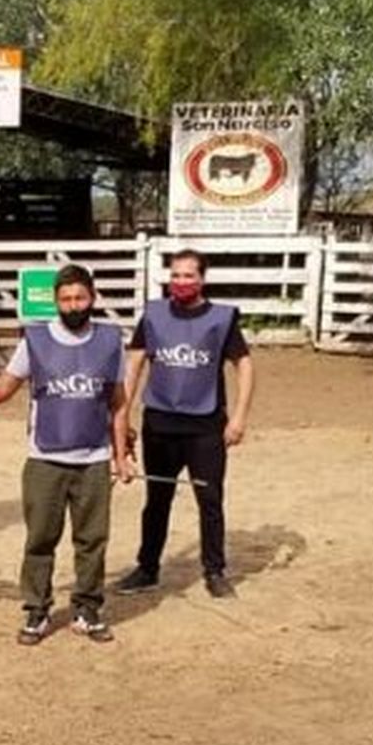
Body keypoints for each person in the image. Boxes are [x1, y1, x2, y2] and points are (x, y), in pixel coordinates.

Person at [0, 264, 130, 644]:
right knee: (40, 539)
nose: (73, 305)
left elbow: (118, 404)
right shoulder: (34, 341)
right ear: (55, 302)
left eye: (80, 298)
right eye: (65, 299)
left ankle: (87, 608)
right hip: (45, 459)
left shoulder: (110, 341)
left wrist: (122, 455)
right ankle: (36, 609)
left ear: (93, 298)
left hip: (94, 460)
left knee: (93, 540)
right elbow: (5, 387)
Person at [113, 248, 256, 599]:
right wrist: (124, 415)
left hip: (206, 425)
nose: (181, 282)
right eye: (175, 275)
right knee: (157, 499)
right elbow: (133, 365)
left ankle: (215, 570)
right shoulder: (154, 315)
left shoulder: (221, 319)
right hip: (160, 422)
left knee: (210, 497)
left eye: (188, 275)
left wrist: (238, 417)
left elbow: (245, 366)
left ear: (202, 279)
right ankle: (147, 568)